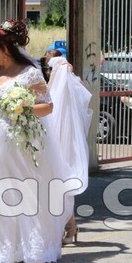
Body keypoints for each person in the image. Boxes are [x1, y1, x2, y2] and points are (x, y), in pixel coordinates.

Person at [0, 19, 75, 263]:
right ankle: (3, 248)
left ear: (6, 48)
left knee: (21, 193)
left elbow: (48, 106)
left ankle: (31, 246)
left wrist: (24, 107)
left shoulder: (30, 73)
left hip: (18, 142)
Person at [46, 56, 93, 244]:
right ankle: (68, 228)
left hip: (61, 147)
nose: (49, 73)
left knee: (59, 189)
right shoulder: (68, 86)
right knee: (58, 190)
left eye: (50, 68)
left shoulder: (63, 89)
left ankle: (67, 228)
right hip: (58, 145)